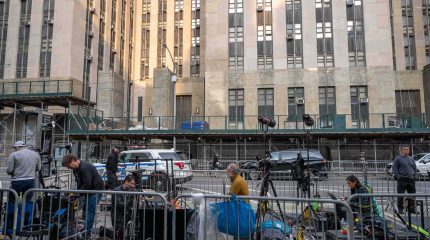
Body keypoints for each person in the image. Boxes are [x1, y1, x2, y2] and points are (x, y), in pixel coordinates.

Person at [62, 154, 104, 238]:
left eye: (69, 166)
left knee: (89, 212)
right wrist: (77, 193)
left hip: (95, 191)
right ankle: (86, 229)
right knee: (86, 211)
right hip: (89, 191)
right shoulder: (76, 169)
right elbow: (79, 182)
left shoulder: (84, 167)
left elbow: (87, 183)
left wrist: (78, 193)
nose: (69, 168)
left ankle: (87, 233)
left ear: (74, 160)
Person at [392, 145, 417, 214]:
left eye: (408, 149)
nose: (407, 151)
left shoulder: (411, 159)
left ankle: (411, 208)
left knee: (412, 195)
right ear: (401, 150)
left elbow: (414, 168)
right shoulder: (398, 159)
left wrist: (414, 176)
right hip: (402, 179)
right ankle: (400, 208)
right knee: (401, 195)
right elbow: (394, 168)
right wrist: (398, 177)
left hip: (411, 179)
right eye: (405, 149)